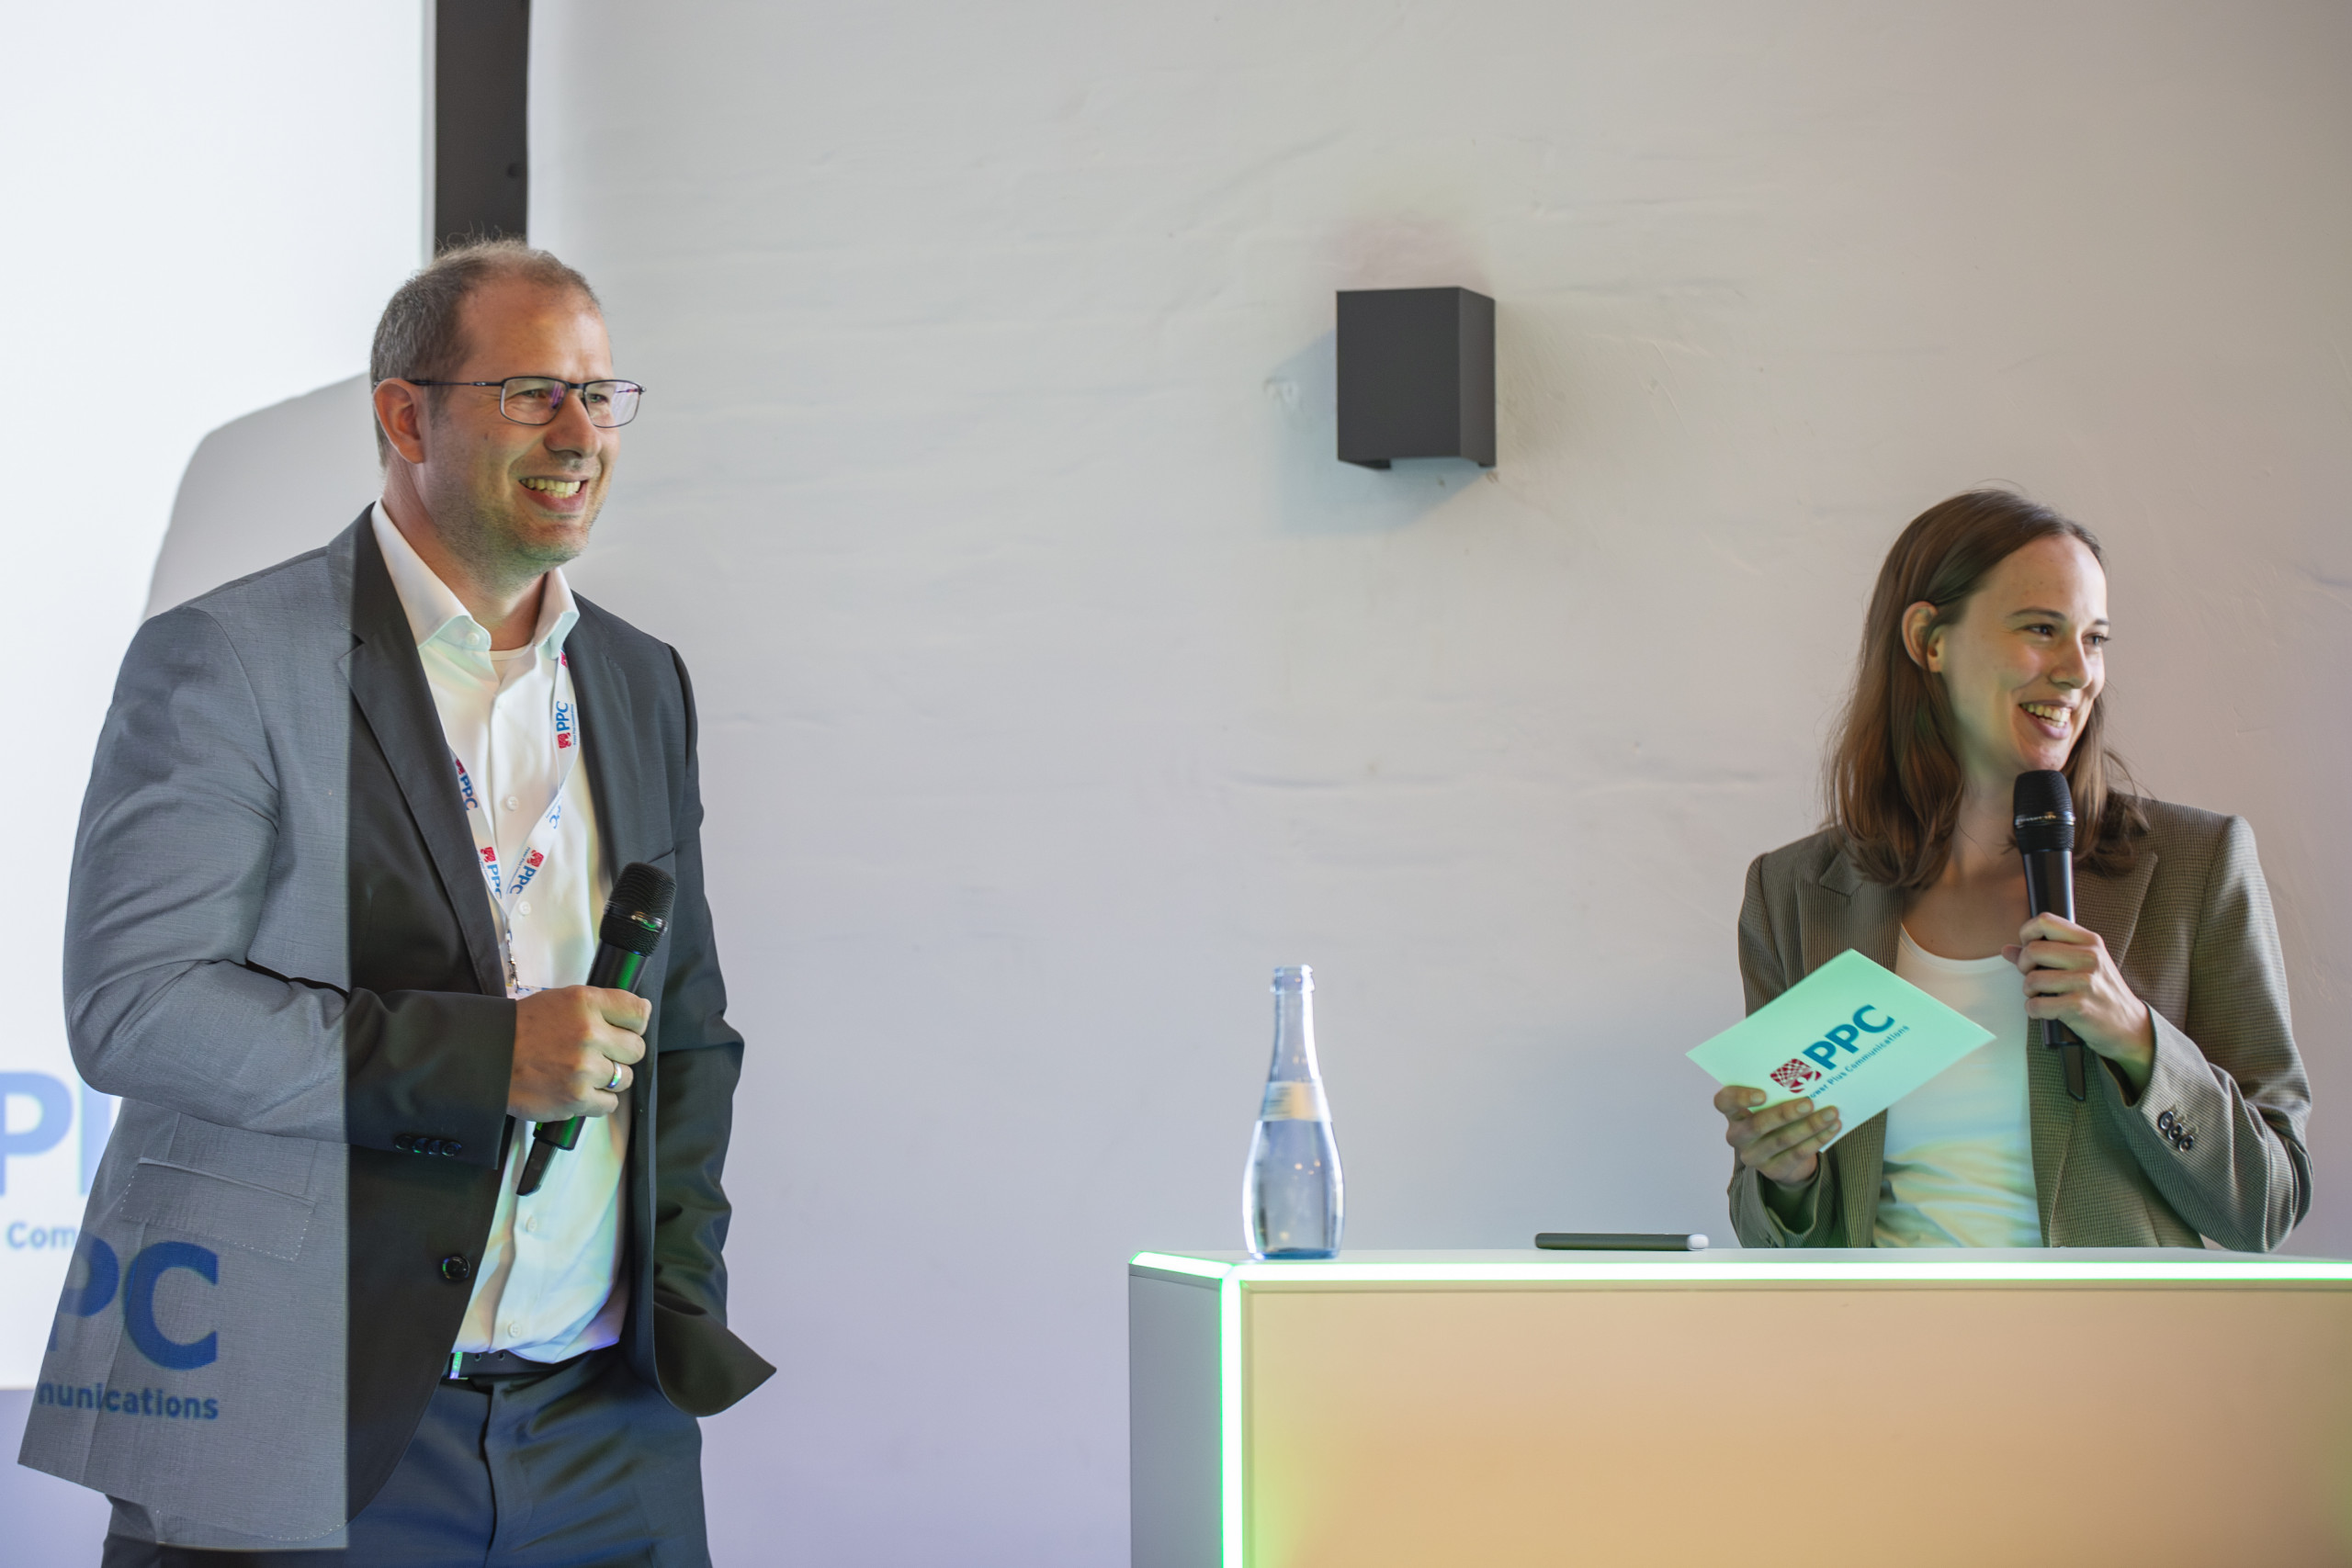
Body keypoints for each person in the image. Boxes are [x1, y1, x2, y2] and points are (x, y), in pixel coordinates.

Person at [21, 240, 771, 1564]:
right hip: (303, 1415)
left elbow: (689, 1029)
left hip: (604, 1435)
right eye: (532, 392)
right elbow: (138, 1007)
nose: (580, 434)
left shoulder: (639, 677)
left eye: (601, 394)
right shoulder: (229, 660)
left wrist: (675, 1292)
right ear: (406, 415)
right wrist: (487, 1060)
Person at [1715, 490, 2312, 1249]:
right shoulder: (1797, 894)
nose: (2078, 671)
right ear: (1928, 639)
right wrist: (1785, 1177)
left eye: (2095, 639)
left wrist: (2137, 1039)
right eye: (2041, 629)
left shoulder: (2198, 866)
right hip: (1883, 1326)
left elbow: (2269, 1205)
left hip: (2110, 1329)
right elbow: (1769, 1233)